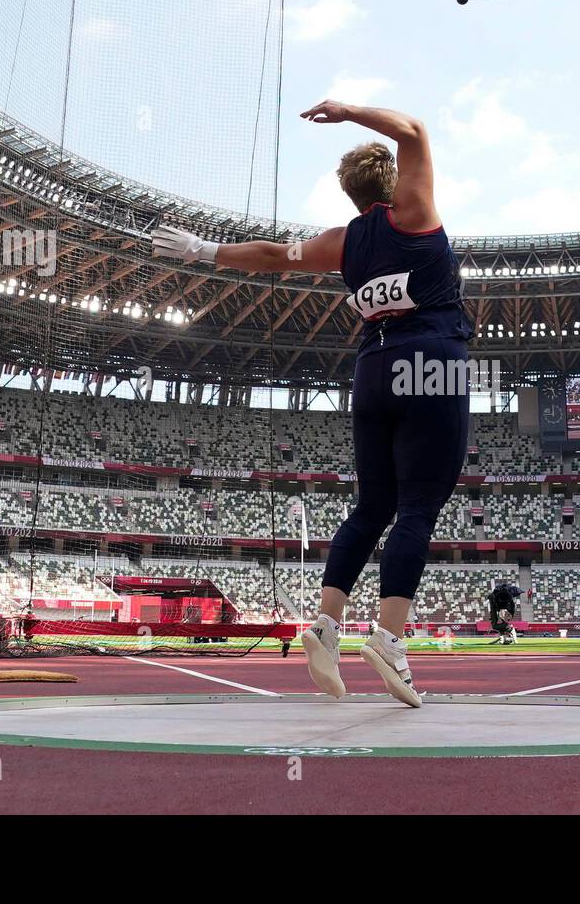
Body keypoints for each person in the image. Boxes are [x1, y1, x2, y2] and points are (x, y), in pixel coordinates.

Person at [153, 101, 471, 707]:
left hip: (371, 370)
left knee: (373, 504)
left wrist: (202, 249)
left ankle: (325, 627)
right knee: (420, 505)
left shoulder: (343, 244)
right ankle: (388, 637)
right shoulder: (416, 213)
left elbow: (273, 255)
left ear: (352, 196)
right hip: (429, 361)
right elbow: (416, 129)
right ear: (394, 183)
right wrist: (348, 111)